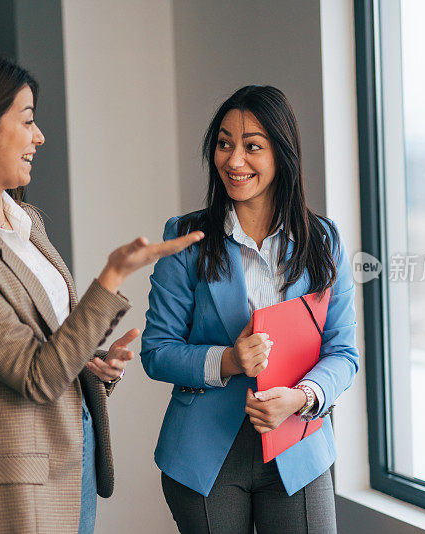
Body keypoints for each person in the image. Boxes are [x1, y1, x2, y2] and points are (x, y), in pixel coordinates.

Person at [0, 52, 203, 534]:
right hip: (14, 482)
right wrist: (113, 275)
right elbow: (35, 375)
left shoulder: (27, 220)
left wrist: (90, 363)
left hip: (72, 452)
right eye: (28, 120)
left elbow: (50, 346)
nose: (39, 137)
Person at [141, 85, 359, 533]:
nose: (234, 160)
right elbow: (156, 350)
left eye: (252, 146)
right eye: (224, 144)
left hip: (297, 444)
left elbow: (344, 353)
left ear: (282, 155)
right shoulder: (185, 237)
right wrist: (227, 359)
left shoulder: (324, 240)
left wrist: (302, 398)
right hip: (204, 455)